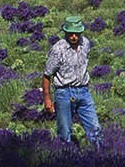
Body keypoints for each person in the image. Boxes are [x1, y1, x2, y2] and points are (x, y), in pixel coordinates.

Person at [43, 14, 101, 144]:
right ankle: (66, 158)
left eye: (76, 33)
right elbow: (47, 74)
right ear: (65, 32)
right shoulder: (58, 50)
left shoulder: (86, 43)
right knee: (64, 132)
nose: (74, 36)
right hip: (64, 93)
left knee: (95, 128)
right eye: (70, 33)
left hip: (84, 92)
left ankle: (99, 157)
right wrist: (47, 99)